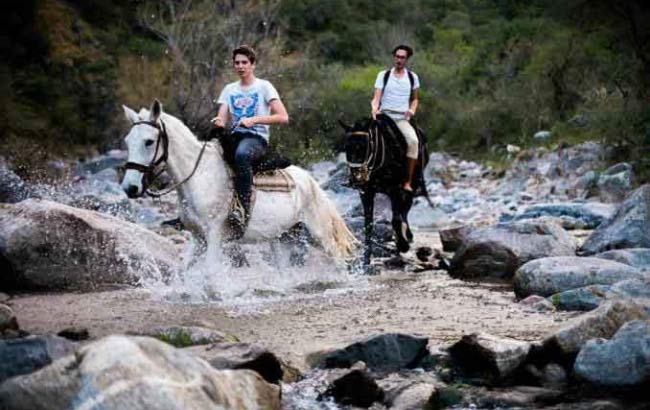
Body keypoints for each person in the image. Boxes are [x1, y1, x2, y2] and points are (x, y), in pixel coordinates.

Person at [212, 45, 289, 235]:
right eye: (237, 63)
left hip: (256, 138)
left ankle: (242, 208)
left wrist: (254, 119)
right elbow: (222, 116)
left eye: (244, 62)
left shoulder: (264, 86)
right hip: (235, 136)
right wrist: (218, 122)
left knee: (241, 155)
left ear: (252, 65)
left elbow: (283, 117)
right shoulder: (229, 89)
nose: (240, 66)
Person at [370, 44, 420, 192]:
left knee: (413, 141)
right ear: (394, 57)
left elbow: (415, 99)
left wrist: (412, 110)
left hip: (401, 118)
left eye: (402, 57)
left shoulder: (412, 77)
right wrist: (374, 108)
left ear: (407, 59)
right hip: (384, 116)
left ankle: (407, 181)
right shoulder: (383, 75)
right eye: (397, 57)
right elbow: (376, 97)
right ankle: (360, 176)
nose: (399, 60)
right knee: (364, 140)